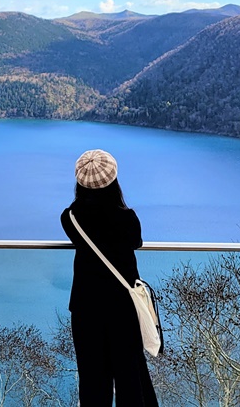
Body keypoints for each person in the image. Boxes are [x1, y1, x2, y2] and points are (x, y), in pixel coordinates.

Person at [61, 149, 158, 407]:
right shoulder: (127, 218)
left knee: (92, 377)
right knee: (130, 375)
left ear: (80, 183)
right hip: (121, 305)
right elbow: (135, 242)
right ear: (114, 181)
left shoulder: (70, 217)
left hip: (85, 307)